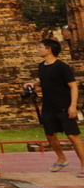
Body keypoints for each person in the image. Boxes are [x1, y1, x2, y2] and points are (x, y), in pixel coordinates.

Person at [25, 39, 84, 175]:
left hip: (64, 106)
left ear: (49, 50)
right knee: (50, 134)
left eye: (40, 47)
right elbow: (45, 80)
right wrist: (33, 84)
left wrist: (73, 106)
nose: (38, 50)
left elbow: (73, 85)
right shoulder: (42, 66)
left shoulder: (62, 66)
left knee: (72, 136)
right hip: (48, 106)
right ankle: (61, 158)